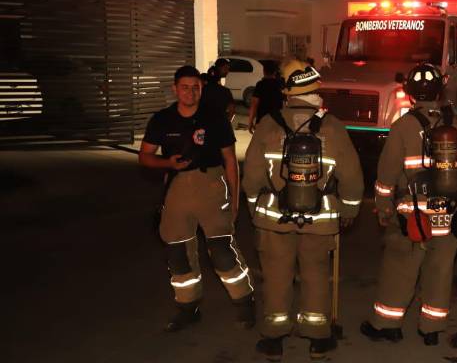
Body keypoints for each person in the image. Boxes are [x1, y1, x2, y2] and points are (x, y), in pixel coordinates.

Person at [242, 59, 363, 361]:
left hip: (273, 221)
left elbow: (252, 180)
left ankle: (273, 340)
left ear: (287, 91)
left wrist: (255, 208)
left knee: (276, 277)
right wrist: (348, 212)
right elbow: (352, 179)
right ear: (315, 89)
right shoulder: (333, 127)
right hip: (320, 222)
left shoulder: (268, 125)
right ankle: (318, 340)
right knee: (316, 276)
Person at [360, 63, 457, 347]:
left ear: (410, 93)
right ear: (439, 91)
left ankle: (387, 325)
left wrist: (384, 208)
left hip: (411, 218)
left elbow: (386, 175)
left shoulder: (404, 126)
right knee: (440, 271)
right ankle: (431, 330)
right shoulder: (456, 127)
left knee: (400, 269)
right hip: (446, 215)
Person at [138, 65, 254, 332]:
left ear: (201, 88)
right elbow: (144, 156)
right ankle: (188, 308)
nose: (190, 92)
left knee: (222, 253)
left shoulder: (215, 118)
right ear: (175, 89)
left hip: (211, 186)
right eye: (185, 87)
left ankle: (245, 304)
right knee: (177, 254)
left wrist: (235, 201)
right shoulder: (162, 119)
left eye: (195, 87)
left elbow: (230, 161)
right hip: (177, 189)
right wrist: (167, 162)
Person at [248, 60, 284, 134]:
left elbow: (254, 104)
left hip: (262, 121)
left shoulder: (260, 85)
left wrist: (250, 122)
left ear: (264, 71)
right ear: (275, 72)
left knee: (261, 144)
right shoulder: (280, 85)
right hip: (277, 121)